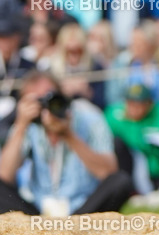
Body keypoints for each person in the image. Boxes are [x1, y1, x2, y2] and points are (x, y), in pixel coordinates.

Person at [0, 71, 133, 215]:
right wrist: (21, 124)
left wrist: (69, 135)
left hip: (83, 209)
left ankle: (74, 225)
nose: (46, 108)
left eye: (51, 99)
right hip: (38, 210)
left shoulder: (89, 117)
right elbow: (5, 175)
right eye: (38, 102)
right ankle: (36, 226)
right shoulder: (27, 123)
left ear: (62, 95)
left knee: (121, 181)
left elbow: (108, 172)